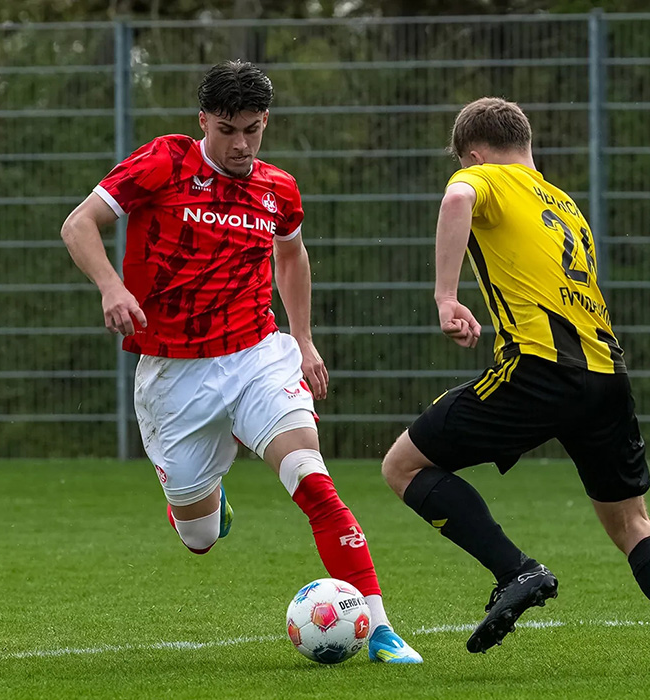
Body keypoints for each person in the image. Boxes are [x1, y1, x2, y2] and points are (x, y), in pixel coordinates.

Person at [61, 60, 422, 664]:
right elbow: (78, 225)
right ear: (203, 120)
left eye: (252, 129)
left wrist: (302, 339)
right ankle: (209, 498)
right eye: (227, 130)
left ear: (266, 122)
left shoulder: (278, 188)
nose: (240, 144)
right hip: (175, 374)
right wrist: (110, 286)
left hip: (258, 355)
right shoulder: (165, 161)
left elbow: (292, 256)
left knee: (313, 481)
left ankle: (381, 629)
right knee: (199, 537)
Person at [381, 97, 650, 654]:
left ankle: (516, 570)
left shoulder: (484, 178)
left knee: (402, 466)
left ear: (474, 154)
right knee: (633, 526)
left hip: (540, 371)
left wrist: (446, 296)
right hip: (608, 377)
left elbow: (457, 197)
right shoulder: (565, 205)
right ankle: (519, 571)